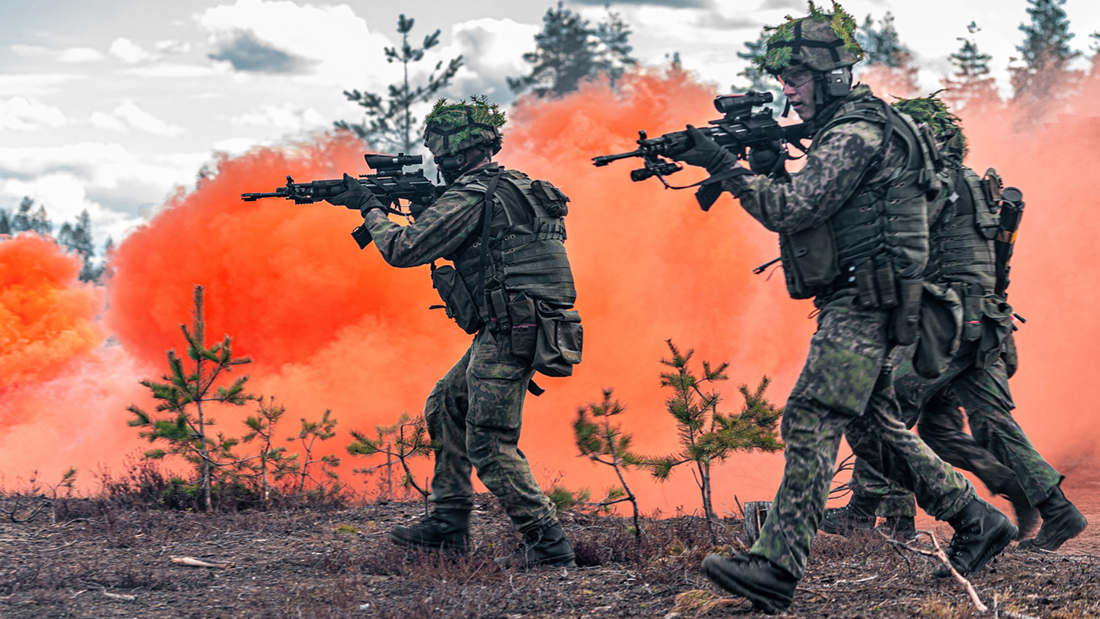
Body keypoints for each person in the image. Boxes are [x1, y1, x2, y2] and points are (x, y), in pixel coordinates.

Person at [667, 5, 1016, 612]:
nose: (788, 90)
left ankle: (775, 566)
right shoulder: (861, 125)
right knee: (872, 425)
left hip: (865, 302)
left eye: (797, 77)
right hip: (870, 300)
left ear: (832, 75)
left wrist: (723, 166)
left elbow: (790, 210)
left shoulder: (854, 132)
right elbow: (817, 205)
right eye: (783, 79)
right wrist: (764, 162)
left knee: (810, 416)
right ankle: (976, 519)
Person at [822, 95, 1087, 559]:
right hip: (984, 325)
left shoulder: (935, 184)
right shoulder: (975, 185)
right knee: (971, 426)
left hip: (948, 325)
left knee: (882, 405)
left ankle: (864, 515)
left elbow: (897, 244)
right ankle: (1053, 507)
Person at [325, 96, 580, 570]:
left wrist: (370, 209)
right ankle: (449, 524)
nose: (438, 162)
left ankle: (547, 541)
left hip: (513, 327)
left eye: (441, 155)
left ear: (455, 152)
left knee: (488, 440)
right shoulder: (517, 185)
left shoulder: (471, 195)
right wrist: (424, 204)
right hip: (524, 323)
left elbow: (404, 249)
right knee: (447, 404)